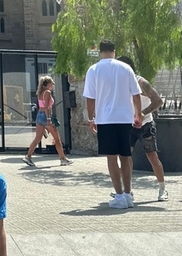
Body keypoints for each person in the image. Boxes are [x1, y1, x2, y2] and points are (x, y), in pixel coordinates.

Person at [83, 40, 142, 209]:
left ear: (100, 52)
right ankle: (128, 194)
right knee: (126, 156)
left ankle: (119, 195)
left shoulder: (94, 69)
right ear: (114, 51)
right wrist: (137, 115)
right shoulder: (126, 68)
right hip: (124, 118)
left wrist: (91, 117)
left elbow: (90, 97)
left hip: (105, 119)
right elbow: (136, 94)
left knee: (111, 158)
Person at [118, 56, 168, 202]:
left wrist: (142, 114)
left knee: (152, 156)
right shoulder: (119, 83)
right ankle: (127, 190)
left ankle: (162, 188)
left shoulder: (141, 82)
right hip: (128, 125)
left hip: (145, 124)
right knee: (125, 157)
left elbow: (158, 101)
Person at [23, 76, 72, 167]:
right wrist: (49, 119)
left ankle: (28, 156)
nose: (53, 84)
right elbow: (47, 107)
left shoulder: (40, 92)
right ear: (47, 84)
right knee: (57, 139)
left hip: (39, 115)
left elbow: (42, 106)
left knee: (37, 138)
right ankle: (63, 159)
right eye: (51, 83)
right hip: (46, 116)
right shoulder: (48, 92)